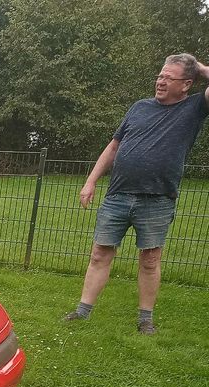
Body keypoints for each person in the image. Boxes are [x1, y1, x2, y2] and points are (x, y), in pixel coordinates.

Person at [64, 53, 209, 335]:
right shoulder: (139, 107)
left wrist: (199, 66)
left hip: (157, 198)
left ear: (187, 84)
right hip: (117, 195)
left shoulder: (194, 108)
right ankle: (82, 312)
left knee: (150, 259)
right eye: (160, 75)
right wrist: (91, 181)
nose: (161, 81)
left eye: (169, 77)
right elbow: (114, 146)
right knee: (99, 254)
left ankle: (145, 319)